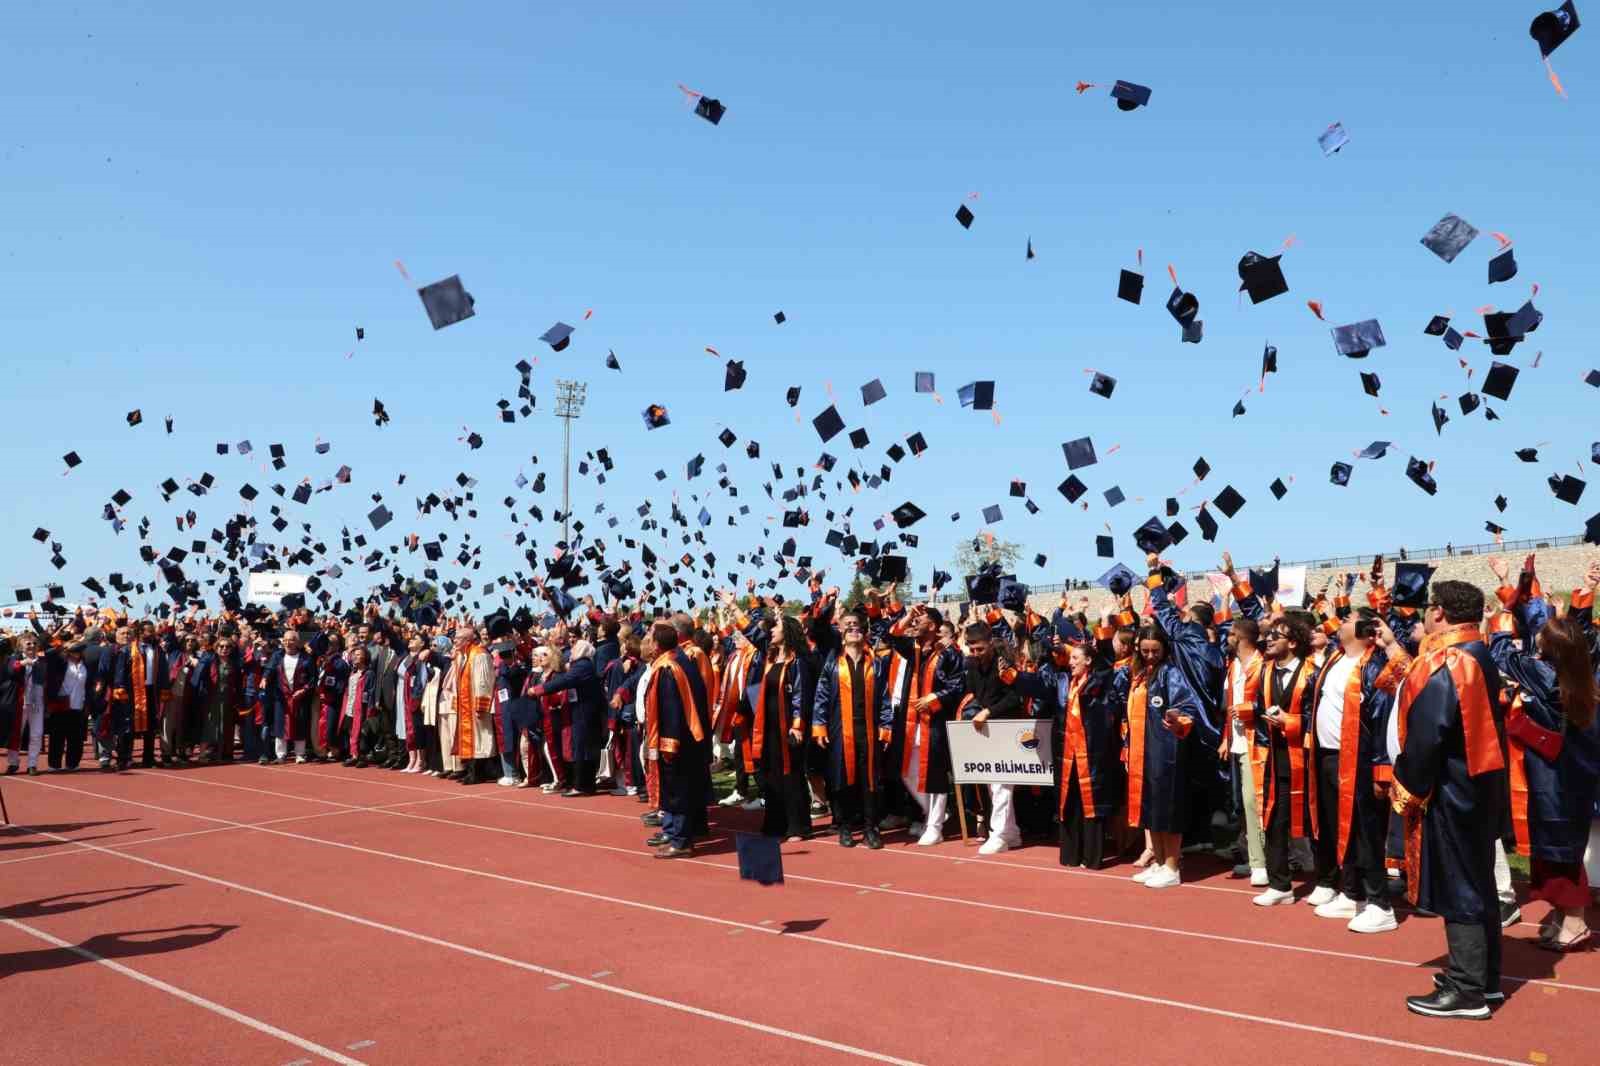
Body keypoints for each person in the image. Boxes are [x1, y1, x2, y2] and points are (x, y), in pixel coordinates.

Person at [1392, 579, 1508, 1020]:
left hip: (1455, 790)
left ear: (1439, 611)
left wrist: (1408, 785)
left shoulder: (1450, 660)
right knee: (1477, 883)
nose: (1423, 614)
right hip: (1479, 787)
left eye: (1427, 608)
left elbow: (1429, 736)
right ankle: (1485, 979)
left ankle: (1466, 989)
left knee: (1461, 886)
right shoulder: (1478, 653)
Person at [1485, 556, 1600, 953]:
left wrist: (1501, 617)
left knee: (1559, 849)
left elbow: (1502, 654)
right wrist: (1512, 581)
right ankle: (1561, 916)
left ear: (1550, 650)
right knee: (1555, 845)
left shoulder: (1547, 677)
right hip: (1570, 773)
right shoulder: (1578, 669)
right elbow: (1552, 627)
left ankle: (1575, 921)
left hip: (1557, 776)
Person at [1304, 609, 1410, 932]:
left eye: (1348, 618)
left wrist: (1381, 768)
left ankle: (1380, 903)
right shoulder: (1335, 659)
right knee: (1341, 829)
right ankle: (1352, 893)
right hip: (1329, 756)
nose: (1341, 622)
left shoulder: (1373, 664)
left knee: (1367, 832)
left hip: (1361, 759)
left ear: (1365, 628)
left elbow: (1381, 720)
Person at [1011, 639, 1126, 867]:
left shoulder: (1100, 680)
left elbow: (1105, 663)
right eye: (1070, 658)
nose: (1071, 662)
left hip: (1092, 752)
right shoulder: (1062, 681)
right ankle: (1071, 854)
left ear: (1088, 661)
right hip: (1065, 752)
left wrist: (1098, 633)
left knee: (1090, 802)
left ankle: (1092, 856)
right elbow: (1036, 686)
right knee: (1068, 801)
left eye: (1075, 658)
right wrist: (1012, 675)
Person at [1122, 624, 1203, 887]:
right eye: (1144, 650)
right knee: (1151, 809)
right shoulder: (1141, 674)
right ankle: (1158, 861)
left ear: (1164, 649)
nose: (1149, 655)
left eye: (1155, 651)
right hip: (1143, 750)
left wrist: (1176, 718)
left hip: (1166, 751)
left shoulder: (1171, 673)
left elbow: (1187, 707)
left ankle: (1172, 865)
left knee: (1167, 809)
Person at [1249, 614, 1317, 906]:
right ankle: (1280, 885)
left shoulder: (1312, 672)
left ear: (1292, 642)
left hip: (1308, 758)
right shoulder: (1264, 671)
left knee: (1316, 823)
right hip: (1276, 760)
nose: (1269, 639)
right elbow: (1258, 704)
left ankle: (1329, 883)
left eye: (1276, 635)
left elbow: (1318, 716)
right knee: (1274, 821)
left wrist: (1291, 722)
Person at [884, 604, 964, 846]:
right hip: (910, 721)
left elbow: (959, 685)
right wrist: (907, 614)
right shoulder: (914, 649)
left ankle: (935, 826)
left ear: (933, 625)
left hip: (935, 722)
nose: (914, 623)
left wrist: (935, 698)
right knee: (906, 770)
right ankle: (933, 812)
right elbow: (893, 636)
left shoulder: (950, 653)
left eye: (920, 619)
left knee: (935, 775)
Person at [812, 609, 893, 848]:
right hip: (840, 730)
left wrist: (886, 727)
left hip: (867, 729)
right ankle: (845, 826)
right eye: (848, 626)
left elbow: (884, 699)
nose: (853, 629)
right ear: (841, 632)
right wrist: (819, 727)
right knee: (842, 779)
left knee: (869, 781)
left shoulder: (875, 664)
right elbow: (822, 697)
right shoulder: (833, 663)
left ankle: (871, 828)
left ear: (864, 631)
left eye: (857, 625)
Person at [957, 621, 1027, 855]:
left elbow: (1014, 698)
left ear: (990, 643)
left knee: (1001, 785)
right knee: (992, 784)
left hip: (1008, 727)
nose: (976, 653)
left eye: (980, 649)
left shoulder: (1003, 662)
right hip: (987, 729)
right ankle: (1011, 832)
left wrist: (988, 711)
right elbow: (976, 693)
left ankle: (998, 834)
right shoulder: (972, 665)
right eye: (972, 649)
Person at [643, 622, 711, 858]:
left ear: (657, 644)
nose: (647, 643)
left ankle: (680, 841)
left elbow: (672, 709)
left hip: (676, 741)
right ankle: (673, 832)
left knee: (677, 789)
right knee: (674, 789)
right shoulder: (679, 661)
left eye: (650, 639)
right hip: (689, 739)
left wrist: (668, 744)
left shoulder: (670, 668)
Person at [534, 638, 608, 795]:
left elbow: (565, 681)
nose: (571, 652)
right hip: (582, 711)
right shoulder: (582, 666)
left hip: (584, 712)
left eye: (575, 649)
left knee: (582, 749)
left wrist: (540, 689)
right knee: (582, 748)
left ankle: (581, 785)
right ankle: (585, 785)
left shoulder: (582, 666)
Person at [449, 625, 495, 784]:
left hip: (475, 705)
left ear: (468, 640)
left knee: (480, 739)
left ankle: (477, 773)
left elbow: (483, 682)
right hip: (464, 707)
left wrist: (480, 705)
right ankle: (469, 770)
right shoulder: (461, 656)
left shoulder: (479, 654)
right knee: (468, 739)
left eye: (458, 638)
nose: (454, 641)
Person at [268, 628, 316, 764]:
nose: (288, 642)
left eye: (291, 640)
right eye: (285, 640)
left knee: (300, 724)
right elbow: (269, 670)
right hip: (282, 696)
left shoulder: (306, 658)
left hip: (299, 696)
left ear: (297, 642)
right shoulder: (277, 655)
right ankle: (280, 754)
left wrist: (304, 690)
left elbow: (313, 678)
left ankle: (300, 754)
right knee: (279, 724)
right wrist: (264, 679)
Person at [49, 641, 91, 771]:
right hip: (62, 703)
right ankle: (54, 764)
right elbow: (48, 653)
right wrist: (61, 648)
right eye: (74, 650)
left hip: (78, 704)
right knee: (57, 736)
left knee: (76, 737)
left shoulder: (86, 665)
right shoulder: (61, 662)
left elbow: (88, 685)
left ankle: (72, 763)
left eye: (78, 650)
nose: (76, 653)